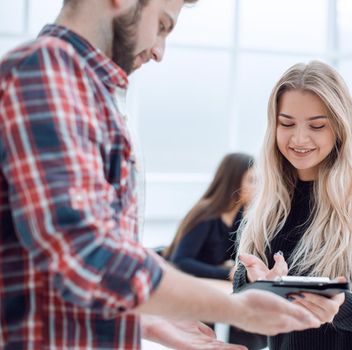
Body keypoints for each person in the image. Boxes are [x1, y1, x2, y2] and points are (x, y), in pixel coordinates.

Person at [0, 0, 320, 348]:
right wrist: (235, 308)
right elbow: (84, 251)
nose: (159, 51)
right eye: (163, 26)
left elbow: (74, 263)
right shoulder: (45, 73)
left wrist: (148, 317)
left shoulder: (87, 90)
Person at [233, 61, 352, 350]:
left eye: (317, 125)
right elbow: (240, 287)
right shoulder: (269, 195)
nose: (298, 139)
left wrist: (339, 306)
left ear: (339, 127)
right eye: (286, 124)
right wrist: (253, 280)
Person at [165, 152, 267, 349]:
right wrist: (226, 272)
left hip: (212, 290)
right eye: (252, 180)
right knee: (244, 330)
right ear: (234, 182)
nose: (258, 188)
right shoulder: (206, 215)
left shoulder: (239, 217)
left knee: (255, 328)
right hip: (190, 292)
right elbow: (181, 261)